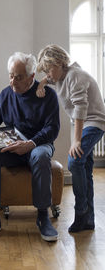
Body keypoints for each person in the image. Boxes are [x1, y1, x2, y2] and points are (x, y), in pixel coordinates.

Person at [0, 52, 60, 243]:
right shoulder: (7, 94)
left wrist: (30, 144)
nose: (13, 82)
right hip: (13, 147)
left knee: (40, 156)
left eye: (18, 77)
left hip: (38, 145)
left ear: (32, 77)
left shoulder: (48, 95)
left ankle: (42, 216)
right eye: (10, 75)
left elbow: (52, 128)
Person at [36, 44, 105, 233]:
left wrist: (76, 141)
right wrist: (42, 84)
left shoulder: (76, 76)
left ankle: (81, 211)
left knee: (74, 162)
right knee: (85, 169)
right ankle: (88, 220)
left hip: (94, 122)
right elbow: (48, 79)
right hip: (85, 124)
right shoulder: (60, 76)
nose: (48, 75)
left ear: (58, 63)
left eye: (48, 69)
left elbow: (80, 109)